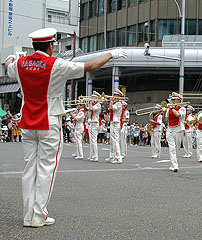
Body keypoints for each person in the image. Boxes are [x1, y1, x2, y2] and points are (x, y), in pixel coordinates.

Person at [4, 27, 127, 227]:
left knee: (29, 169)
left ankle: (28, 215)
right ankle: (39, 215)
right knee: (46, 169)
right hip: (49, 121)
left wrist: (11, 57)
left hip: (27, 122)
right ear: (51, 46)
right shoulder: (56, 64)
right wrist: (111, 54)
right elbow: (90, 66)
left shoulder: (19, 64)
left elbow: (8, 65)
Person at [164, 92, 186, 172]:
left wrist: (172, 108)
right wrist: (164, 111)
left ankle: (173, 163)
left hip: (178, 129)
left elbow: (178, 115)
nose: (172, 101)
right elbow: (164, 120)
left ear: (179, 101)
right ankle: (174, 164)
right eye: (172, 100)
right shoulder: (169, 109)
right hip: (170, 129)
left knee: (176, 148)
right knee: (172, 148)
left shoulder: (182, 108)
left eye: (174, 100)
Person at [105, 89, 123, 164]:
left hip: (116, 122)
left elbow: (112, 108)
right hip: (113, 122)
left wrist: (111, 101)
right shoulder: (115, 103)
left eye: (115, 95)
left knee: (115, 140)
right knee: (112, 141)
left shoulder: (119, 103)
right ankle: (112, 156)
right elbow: (108, 110)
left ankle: (118, 157)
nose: (114, 96)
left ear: (119, 96)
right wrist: (106, 103)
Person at [88, 91, 102, 162]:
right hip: (91, 123)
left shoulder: (98, 105)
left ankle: (95, 156)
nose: (92, 98)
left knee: (94, 140)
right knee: (91, 140)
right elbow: (87, 109)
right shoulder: (94, 104)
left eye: (93, 97)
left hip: (95, 123)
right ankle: (92, 155)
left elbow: (91, 109)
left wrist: (90, 102)